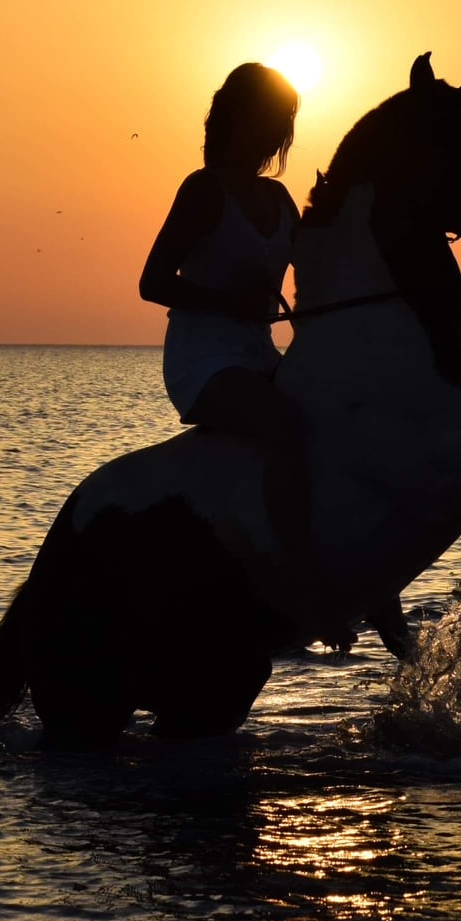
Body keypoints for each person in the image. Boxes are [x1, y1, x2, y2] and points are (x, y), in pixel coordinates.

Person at [139, 63, 315, 588]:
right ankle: (296, 577)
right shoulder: (202, 190)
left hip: (258, 355)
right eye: (274, 118)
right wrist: (226, 302)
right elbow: (152, 282)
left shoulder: (281, 200)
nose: (279, 134)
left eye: (284, 122)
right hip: (204, 360)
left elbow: (315, 279)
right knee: (285, 425)